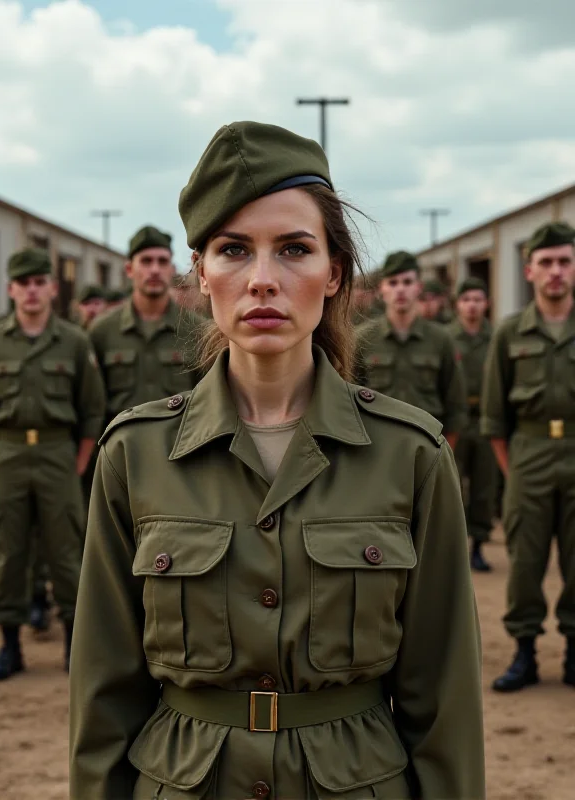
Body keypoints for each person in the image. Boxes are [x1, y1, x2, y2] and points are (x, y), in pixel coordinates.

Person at [70, 121, 484, 800]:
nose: (263, 280)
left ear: (335, 274)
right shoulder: (135, 455)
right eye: (234, 250)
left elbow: (443, 701)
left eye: (294, 248)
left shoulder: (410, 454)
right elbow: (102, 694)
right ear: (201, 273)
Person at [0, 248, 105, 681]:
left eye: (40, 283)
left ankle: (75, 648)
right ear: (11, 289)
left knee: (67, 551)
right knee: (9, 552)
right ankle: (10, 648)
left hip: (58, 453)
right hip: (10, 452)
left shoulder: (74, 341)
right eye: (24, 283)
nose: (32, 291)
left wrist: (79, 461)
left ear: (52, 289)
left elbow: (92, 408)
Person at [482, 221, 575, 692]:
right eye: (547, 262)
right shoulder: (509, 333)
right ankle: (524, 653)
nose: (556, 271)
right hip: (529, 454)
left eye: (564, 261)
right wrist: (513, 473)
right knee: (525, 563)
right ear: (530, 270)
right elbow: (495, 418)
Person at [89, 226, 202, 424]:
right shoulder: (102, 331)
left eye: (162, 261)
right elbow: (91, 407)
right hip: (119, 449)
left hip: (179, 448)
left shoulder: (198, 330)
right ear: (129, 269)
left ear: (172, 269)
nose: (155, 270)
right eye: (146, 261)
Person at [355, 251, 467, 449]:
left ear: (418, 288)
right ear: (382, 289)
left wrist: (444, 452)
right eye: (393, 282)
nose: (400, 289)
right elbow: (348, 401)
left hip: (428, 446)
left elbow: (455, 405)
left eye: (407, 282)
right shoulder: (362, 339)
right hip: (376, 447)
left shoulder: (440, 339)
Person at [449, 277, 496, 572]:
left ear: (486, 304)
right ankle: (451, 546)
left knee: (484, 487)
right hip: (455, 421)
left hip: (486, 421)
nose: (472, 306)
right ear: (458, 305)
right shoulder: (445, 338)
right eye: (467, 300)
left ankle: (478, 545)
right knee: (451, 486)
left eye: (478, 300)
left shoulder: (497, 337)